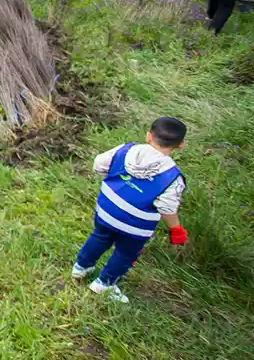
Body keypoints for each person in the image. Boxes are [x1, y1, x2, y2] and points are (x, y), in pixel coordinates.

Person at [71, 117, 190, 304]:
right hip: (136, 225)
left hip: (107, 210)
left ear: (149, 136)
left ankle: (81, 267)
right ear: (181, 145)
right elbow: (167, 208)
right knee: (126, 253)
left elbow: (99, 164)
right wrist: (176, 230)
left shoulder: (126, 150)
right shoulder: (173, 177)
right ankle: (105, 284)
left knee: (100, 236)